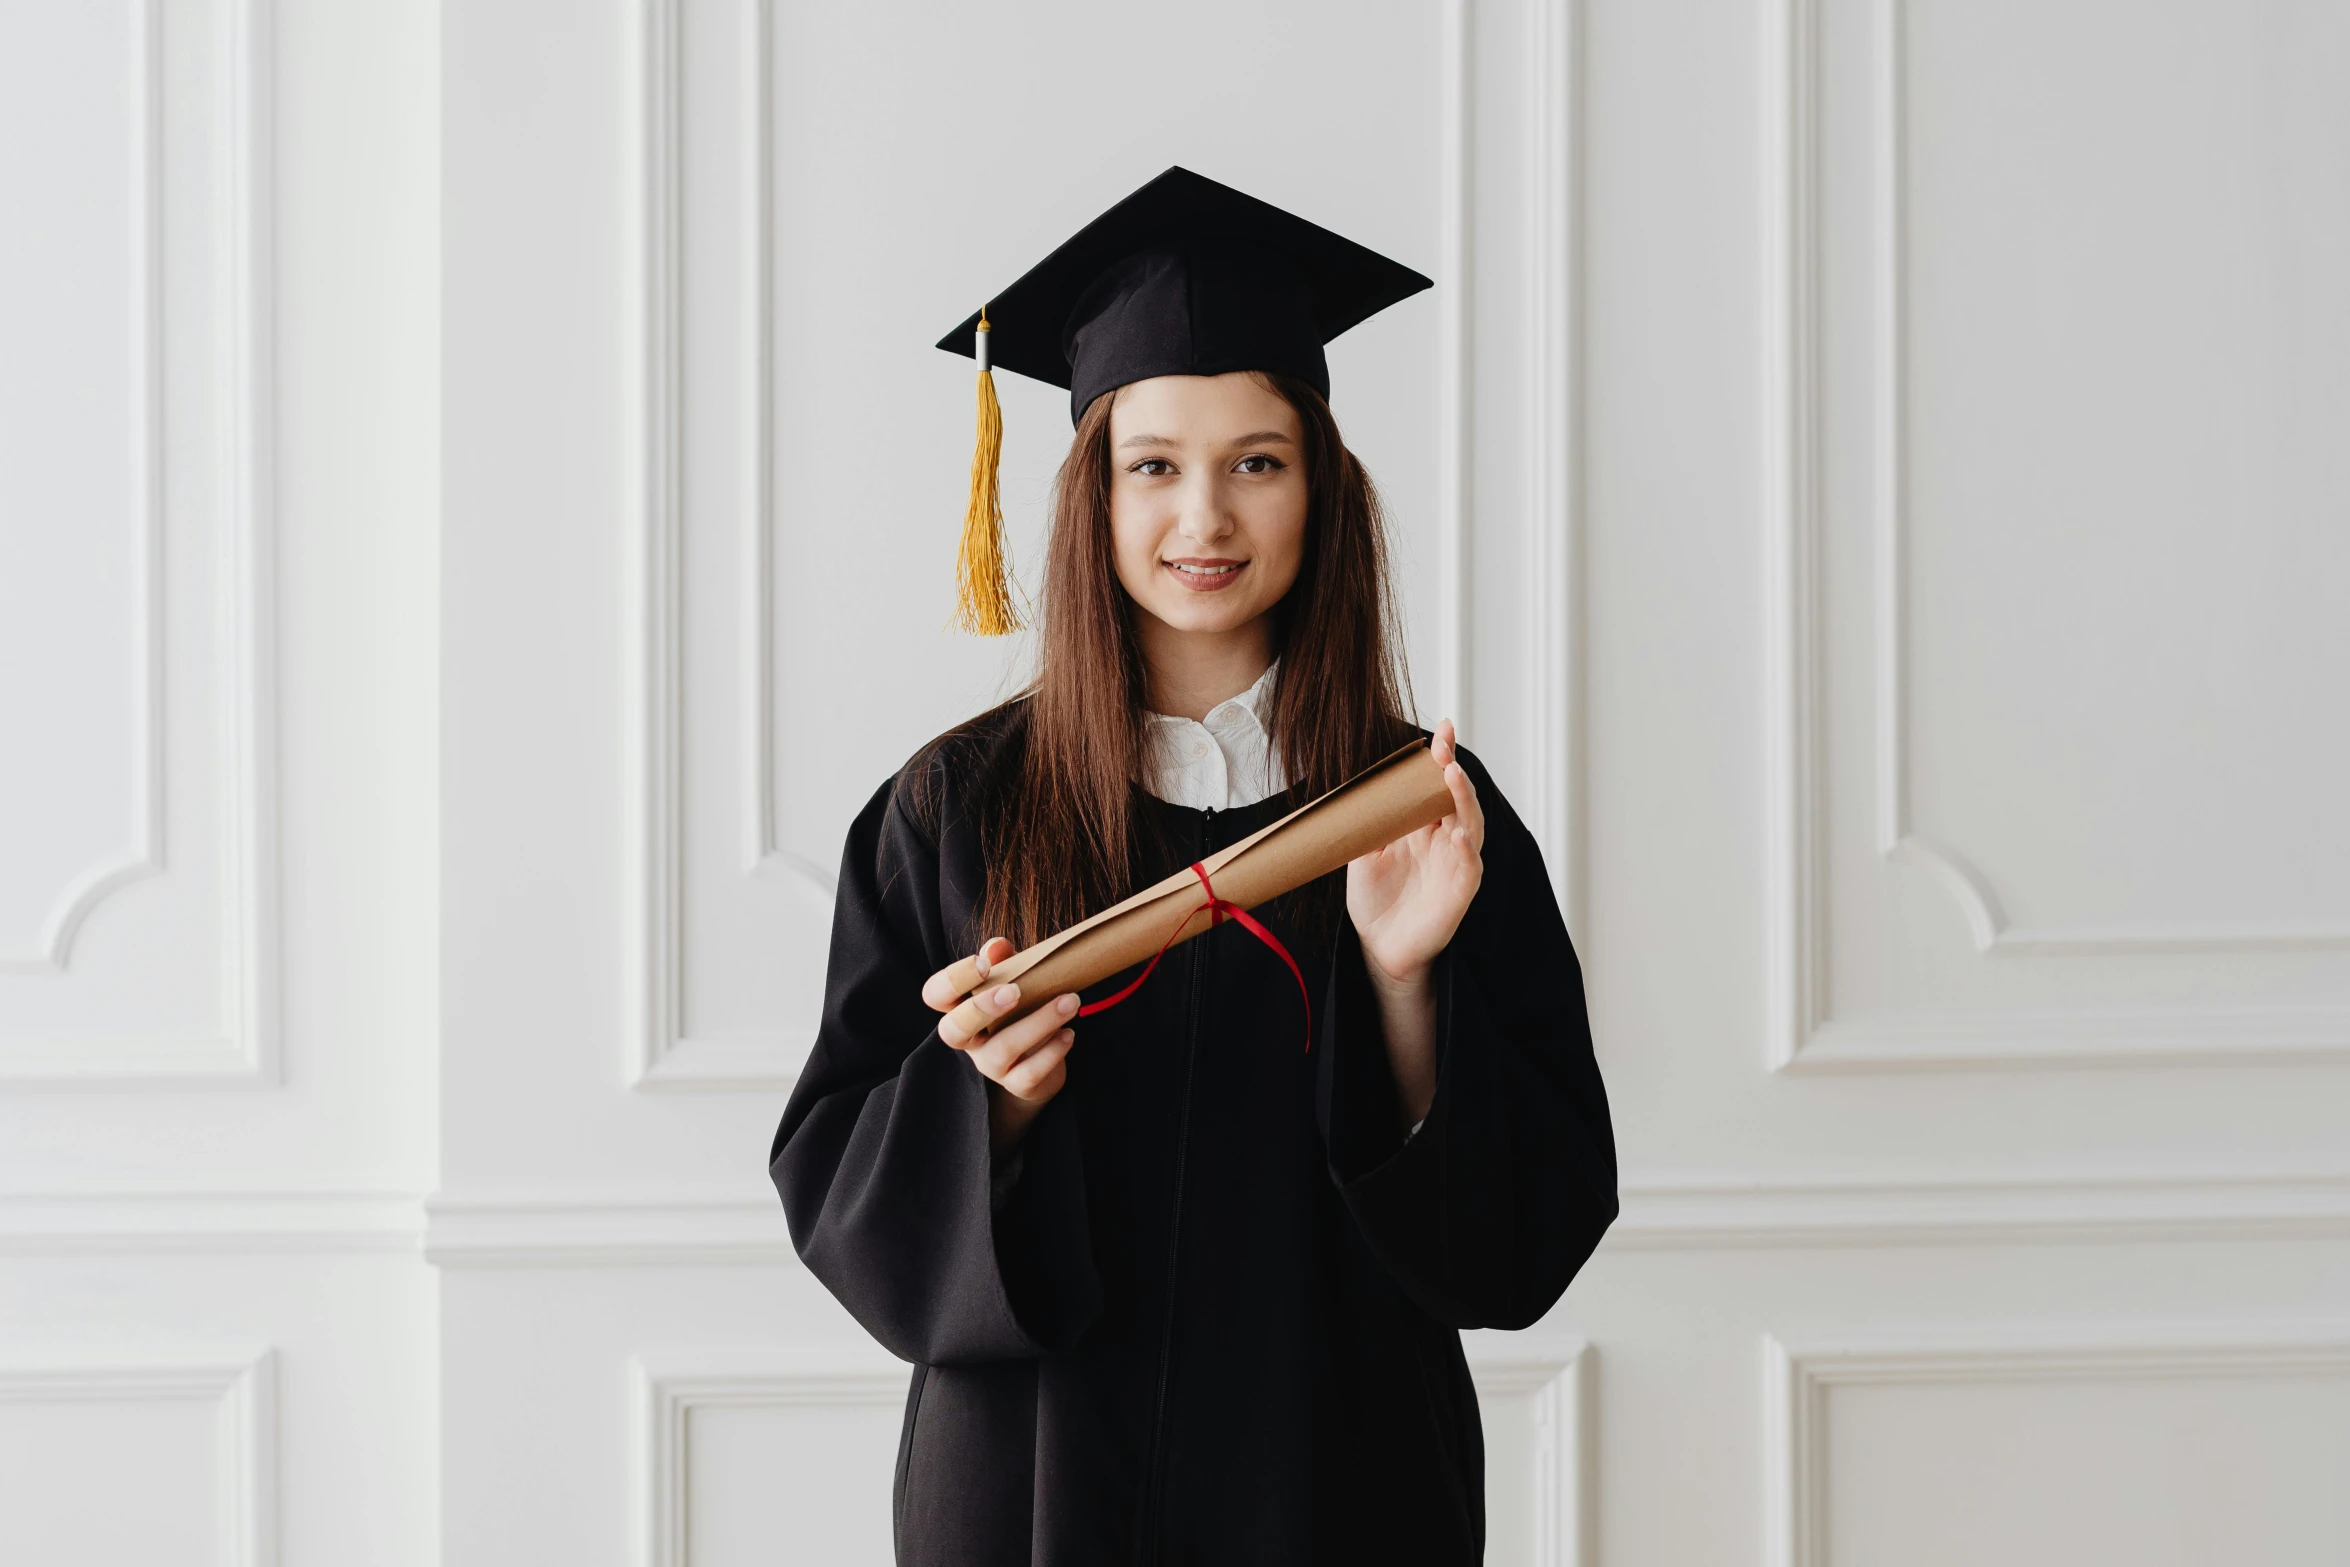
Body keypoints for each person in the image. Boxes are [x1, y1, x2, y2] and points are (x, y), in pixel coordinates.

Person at [769, 167, 1617, 1566]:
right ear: (1088, 492)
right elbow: (838, 1190)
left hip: (1342, 1479)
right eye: (1152, 463)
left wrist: (1404, 983)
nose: (1202, 518)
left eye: (1256, 461)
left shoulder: (1415, 812)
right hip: (1035, 1491)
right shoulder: (953, 810)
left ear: (1320, 485)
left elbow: (1523, 1235)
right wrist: (981, 1103)